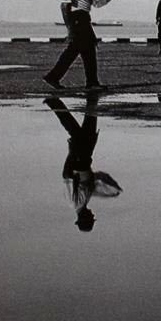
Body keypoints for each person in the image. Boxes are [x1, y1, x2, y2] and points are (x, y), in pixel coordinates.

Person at [44, 95, 122, 232]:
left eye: (91, 218)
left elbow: (68, 176)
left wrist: (72, 154)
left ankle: (56, 103)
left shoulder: (78, 202)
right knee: (84, 129)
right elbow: (70, 178)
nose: (93, 215)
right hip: (82, 160)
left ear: (84, 218)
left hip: (81, 160)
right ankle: (88, 100)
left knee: (81, 130)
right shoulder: (79, 203)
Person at [43, 0, 106, 91]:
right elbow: (64, 5)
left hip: (84, 17)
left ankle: (91, 82)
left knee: (85, 49)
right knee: (78, 50)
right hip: (77, 17)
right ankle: (56, 78)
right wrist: (70, 29)